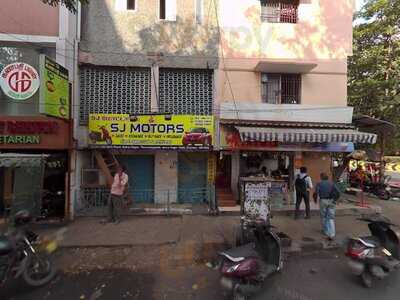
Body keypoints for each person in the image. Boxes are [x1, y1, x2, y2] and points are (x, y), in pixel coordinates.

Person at [314, 173, 340, 241]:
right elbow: (338, 192)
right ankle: (332, 233)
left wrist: (315, 200)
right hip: (331, 201)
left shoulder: (319, 184)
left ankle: (325, 231)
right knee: (331, 217)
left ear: (321, 177)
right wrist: (335, 200)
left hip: (323, 201)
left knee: (323, 216)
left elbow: (316, 193)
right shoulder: (332, 184)